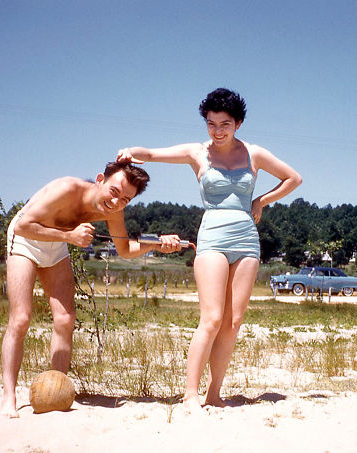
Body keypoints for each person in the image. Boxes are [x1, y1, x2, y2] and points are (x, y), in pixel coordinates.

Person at [116, 88, 302, 412]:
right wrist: (130, 151)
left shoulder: (254, 154)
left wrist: (261, 201)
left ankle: (214, 394)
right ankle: (190, 394)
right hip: (212, 238)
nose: (217, 131)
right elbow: (153, 153)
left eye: (225, 124)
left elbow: (293, 178)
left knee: (233, 322)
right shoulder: (197, 152)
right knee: (212, 318)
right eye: (211, 123)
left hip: (247, 239)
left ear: (238, 123)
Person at [1, 161, 185, 417]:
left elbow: (124, 250)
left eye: (125, 199)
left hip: (56, 244)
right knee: (21, 319)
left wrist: (155, 244)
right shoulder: (66, 188)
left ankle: (56, 390)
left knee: (65, 319)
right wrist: (68, 236)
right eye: (113, 191)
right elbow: (23, 225)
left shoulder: (114, 210)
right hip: (26, 240)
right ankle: (8, 397)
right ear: (100, 179)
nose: (116, 202)